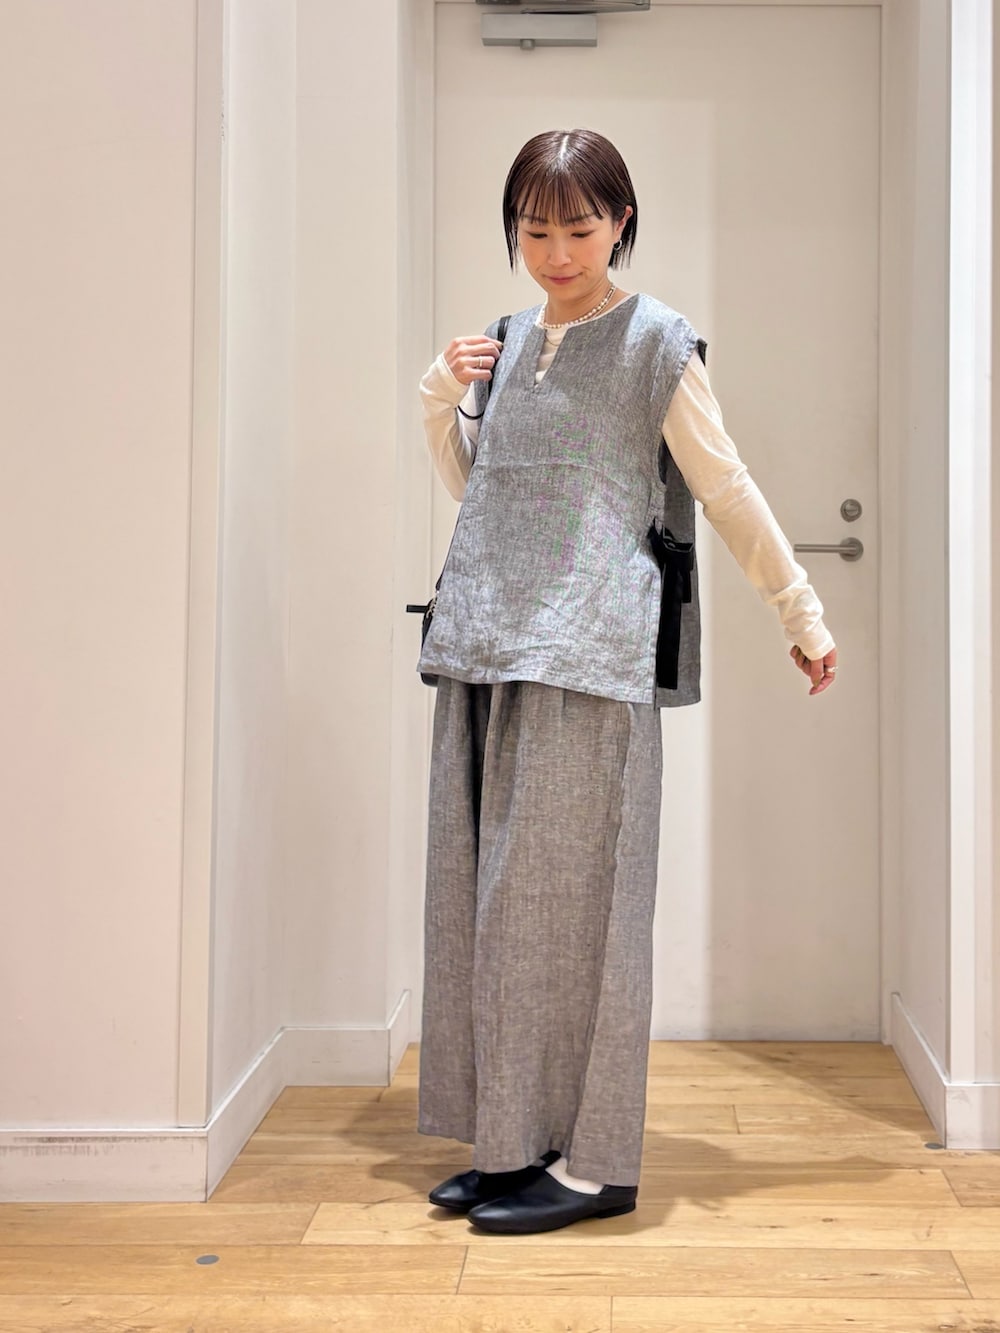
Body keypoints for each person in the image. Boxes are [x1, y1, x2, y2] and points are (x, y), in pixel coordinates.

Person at [413, 128, 838, 1236]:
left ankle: (598, 1165)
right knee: (492, 912)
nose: (557, 253)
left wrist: (799, 609)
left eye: (580, 228)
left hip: (591, 658)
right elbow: (485, 491)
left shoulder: (657, 343)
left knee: (581, 917)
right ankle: (512, 1142)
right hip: (488, 647)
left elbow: (726, 486)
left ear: (621, 224)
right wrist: (436, 399)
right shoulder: (508, 340)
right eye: (535, 230)